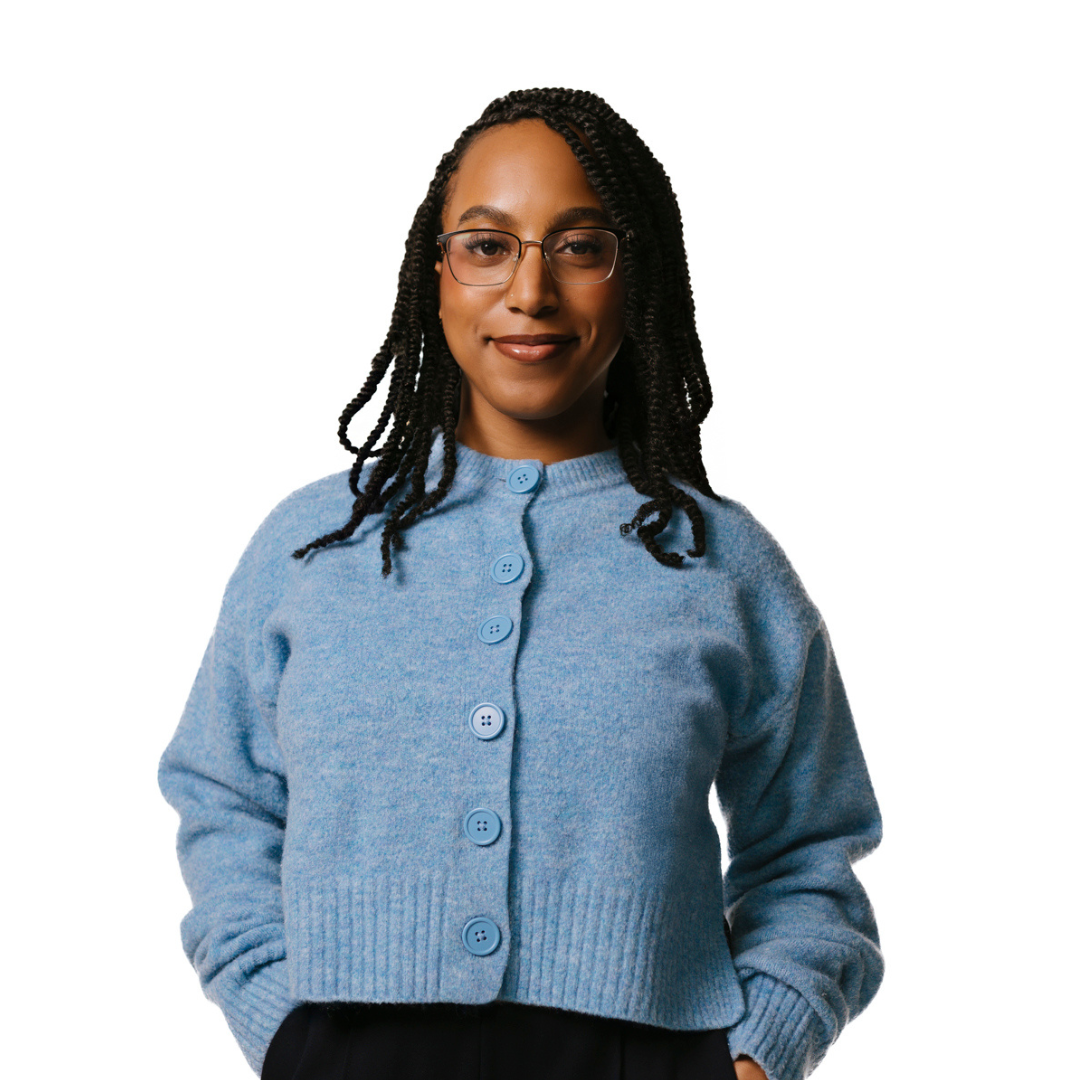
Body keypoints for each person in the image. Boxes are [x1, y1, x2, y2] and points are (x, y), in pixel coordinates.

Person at [158, 88, 883, 1080]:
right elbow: (221, 796)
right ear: (437, 276)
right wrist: (280, 1018)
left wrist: (758, 1056)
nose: (530, 292)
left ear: (639, 281)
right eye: (487, 245)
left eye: (580, 247)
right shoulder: (315, 546)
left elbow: (811, 852)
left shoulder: (719, 563)